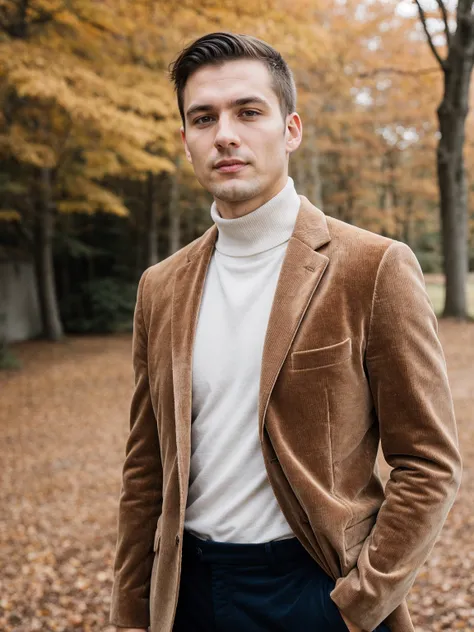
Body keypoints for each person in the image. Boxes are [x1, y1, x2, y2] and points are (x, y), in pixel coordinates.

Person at [109, 32, 462, 632]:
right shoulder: (160, 287)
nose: (225, 133)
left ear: (290, 129)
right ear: (186, 141)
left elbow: (428, 462)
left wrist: (361, 601)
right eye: (203, 118)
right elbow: (146, 470)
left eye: (248, 112)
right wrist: (131, 615)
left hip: (313, 590)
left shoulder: (371, 267)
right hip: (188, 593)